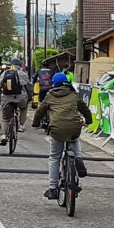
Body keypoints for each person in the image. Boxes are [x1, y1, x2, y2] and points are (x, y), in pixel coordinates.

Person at [32, 72, 91, 200]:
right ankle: (78, 159)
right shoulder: (74, 94)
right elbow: (85, 109)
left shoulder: (50, 95)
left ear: (54, 84)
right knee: (74, 139)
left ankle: (53, 188)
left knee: (54, 157)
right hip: (74, 128)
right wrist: (89, 120)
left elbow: (40, 111)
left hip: (57, 129)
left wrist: (35, 123)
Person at [0, 58, 28, 145]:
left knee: (5, 118)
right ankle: (21, 125)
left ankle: (3, 135)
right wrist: (30, 97)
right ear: (20, 66)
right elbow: (29, 86)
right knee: (23, 108)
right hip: (20, 97)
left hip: (7, 98)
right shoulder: (23, 74)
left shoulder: (4, 73)